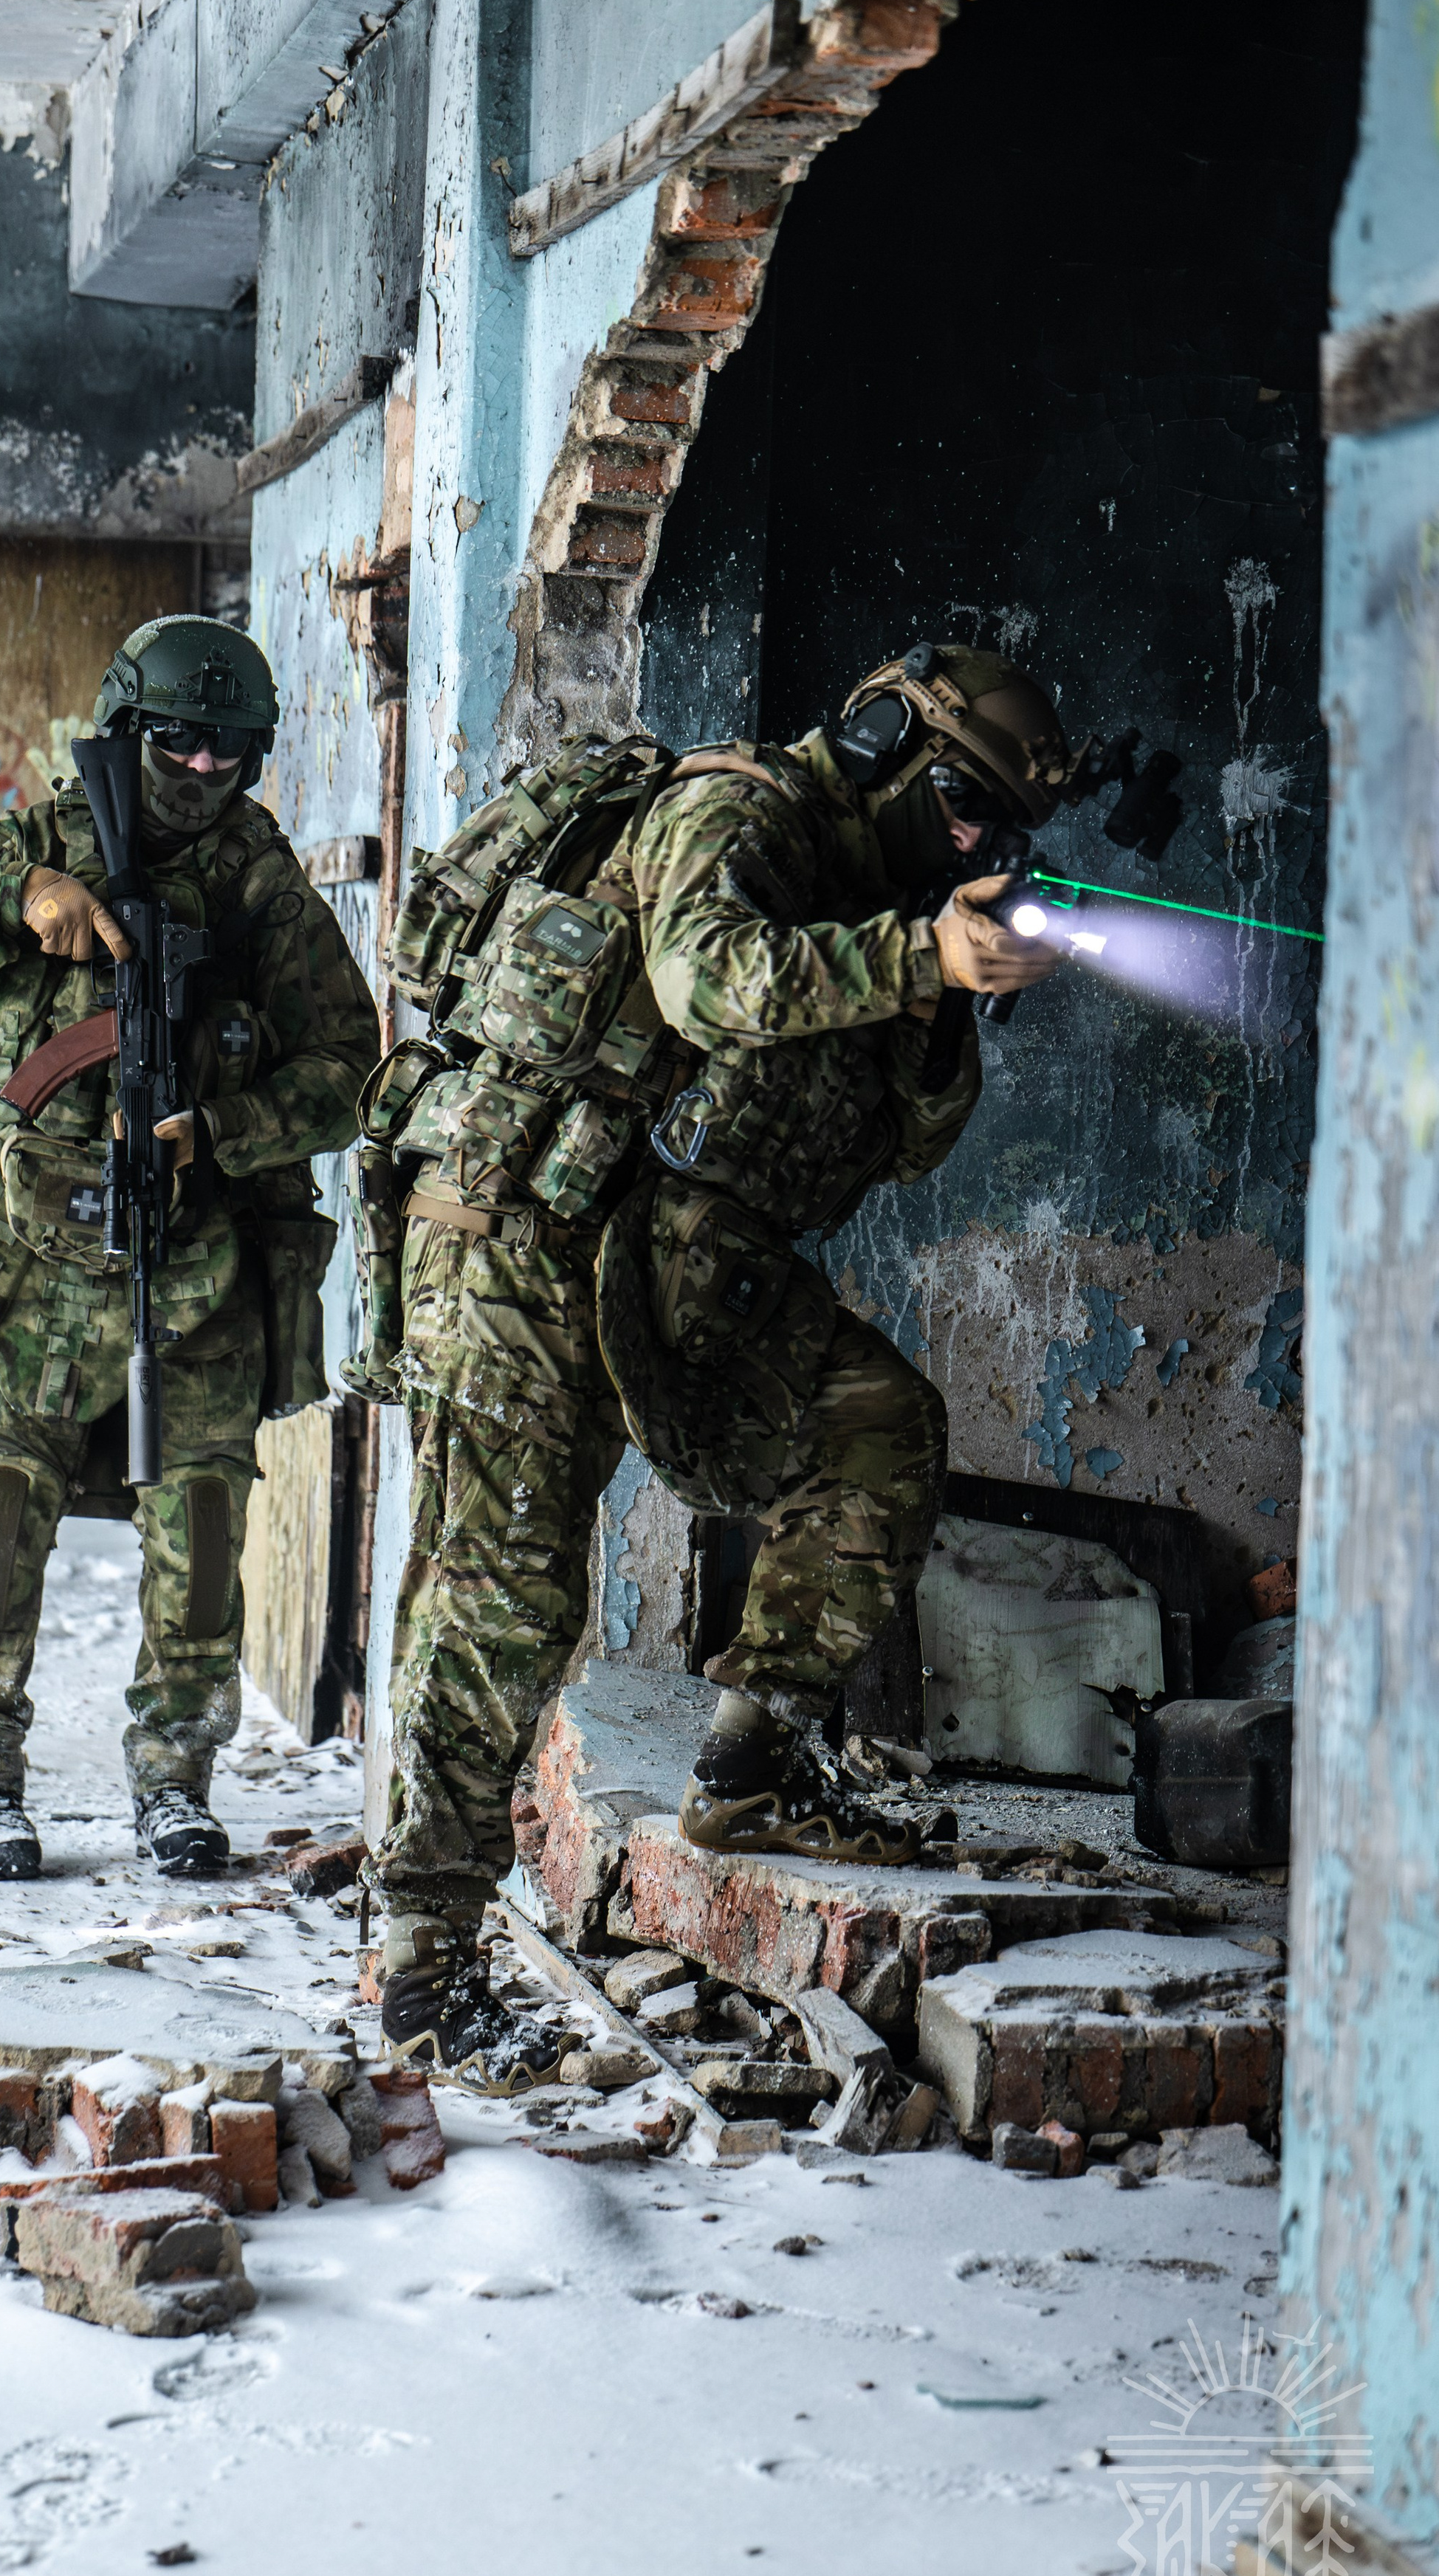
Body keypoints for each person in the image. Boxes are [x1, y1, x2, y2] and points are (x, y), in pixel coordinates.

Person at [360, 641, 1077, 2085]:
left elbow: (913, 1142)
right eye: (954, 811)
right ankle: (421, 1969)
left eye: (992, 837)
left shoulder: (877, 906)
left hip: (677, 1258)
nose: (965, 849)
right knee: (502, 1601)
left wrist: (938, 991)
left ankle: (750, 1773)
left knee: (875, 1431)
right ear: (879, 738)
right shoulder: (734, 818)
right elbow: (709, 987)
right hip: (521, 1239)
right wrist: (914, 951)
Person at [0, 616, 379, 1882]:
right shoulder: (35, 844)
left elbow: (350, 1075)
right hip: (27, 1259)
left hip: (195, 1266)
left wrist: (226, 1128)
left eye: (231, 754)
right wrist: (14, 903)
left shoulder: (261, 887)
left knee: (200, 1528)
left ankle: (175, 1779)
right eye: (179, 743)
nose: (203, 771)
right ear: (127, 728)